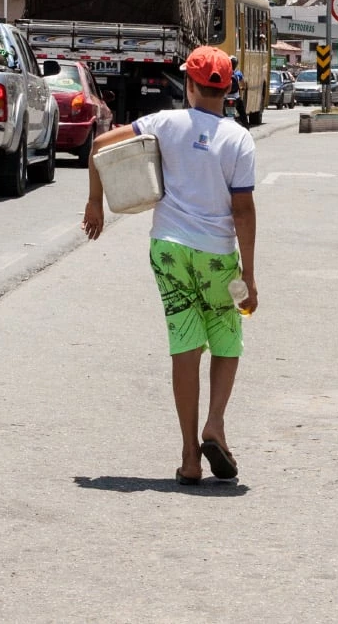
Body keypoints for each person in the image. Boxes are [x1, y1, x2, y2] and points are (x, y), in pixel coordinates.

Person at [83, 46, 258, 487]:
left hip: (168, 249)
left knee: (184, 343)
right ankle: (214, 424)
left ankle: (188, 458)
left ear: (191, 85)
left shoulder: (163, 122)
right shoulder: (238, 138)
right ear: (227, 88)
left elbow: (101, 145)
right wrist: (249, 276)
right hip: (217, 255)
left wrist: (94, 201)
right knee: (226, 338)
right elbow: (243, 211)